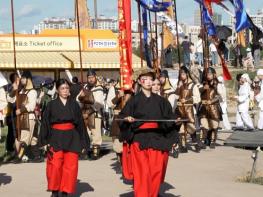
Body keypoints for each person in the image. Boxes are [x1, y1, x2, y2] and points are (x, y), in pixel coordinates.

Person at [119, 69, 179, 197]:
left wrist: (175, 121)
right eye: (145, 79)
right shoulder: (133, 101)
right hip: (139, 139)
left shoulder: (161, 101)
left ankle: (153, 194)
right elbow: (122, 116)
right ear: (140, 81)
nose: (148, 81)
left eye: (151, 79)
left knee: (155, 171)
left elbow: (168, 118)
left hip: (157, 138)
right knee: (142, 172)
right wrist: (127, 119)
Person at [39, 79, 90, 197]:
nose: (65, 91)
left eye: (67, 88)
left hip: (72, 137)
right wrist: (45, 140)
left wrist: (83, 142)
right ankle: (55, 190)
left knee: (70, 166)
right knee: (55, 165)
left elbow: (80, 125)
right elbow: (45, 123)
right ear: (57, 90)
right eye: (62, 88)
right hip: (56, 137)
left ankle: (66, 191)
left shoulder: (74, 105)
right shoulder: (51, 105)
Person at [7, 70, 39, 161]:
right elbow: (10, 99)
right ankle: (37, 156)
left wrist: (20, 110)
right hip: (21, 118)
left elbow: (31, 106)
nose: (22, 80)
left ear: (28, 79)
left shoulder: (33, 92)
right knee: (32, 139)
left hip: (29, 118)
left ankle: (19, 157)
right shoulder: (21, 91)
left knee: (24, 138)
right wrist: (14, 90)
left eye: (24, 78)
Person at [78, 69, 104, 159]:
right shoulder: (85, 87)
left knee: (95, 133)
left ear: (95, 77)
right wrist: (80, 98)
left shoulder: (99, 89)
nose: (91, 79)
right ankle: (86, 151)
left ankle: (95, 153)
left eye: (92, 77)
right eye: (89, 77)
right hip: (84, 113)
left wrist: (89, 112)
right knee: (85, 133)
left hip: (94, 113)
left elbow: (99, 103)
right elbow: (78, 100)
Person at [175, 66, 202, 153]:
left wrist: (186, 100)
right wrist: (178, 88)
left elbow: (197, 98)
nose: (181, 76)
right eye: (180, 74)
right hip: (180, 110)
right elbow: (175, 97)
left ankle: (195, 143)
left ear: (187, 74)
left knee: (191, 128)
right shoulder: (179, 84)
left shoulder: (193, 85)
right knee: (182, 129)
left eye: (183, 73)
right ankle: (183, 146)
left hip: (189, 109)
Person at [199, 67, 222, 149]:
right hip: (204, 108)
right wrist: (202, 88)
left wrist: (212, 101)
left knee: (214, 125)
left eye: (209, 74)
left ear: (213, 75)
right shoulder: (204, 84)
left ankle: (213, 141)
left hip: (214, 108)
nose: (208, 76)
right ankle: (202, 141)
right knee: (203, 124)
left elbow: (220, 96)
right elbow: (198, 93)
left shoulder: (218, 84)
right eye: (207, 74)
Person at [3, 73, 19, 162]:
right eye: (17, 78)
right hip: (12, 114)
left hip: (17, 113)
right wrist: (14, 89)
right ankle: (11, 151)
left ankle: (15, 151)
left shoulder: (20, 87)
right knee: (12, 134)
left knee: (16, 133)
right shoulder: (11, 87)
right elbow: (10, 99)